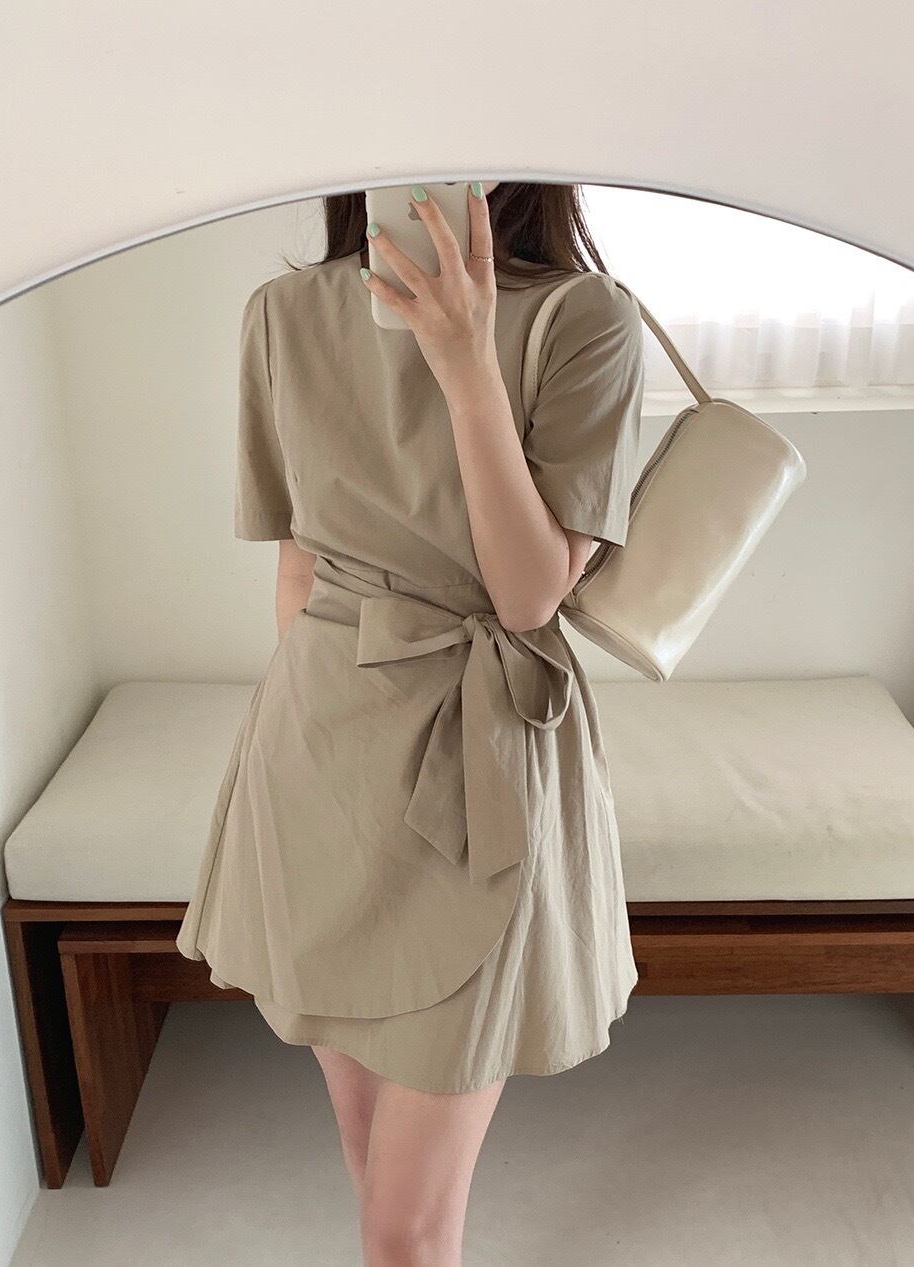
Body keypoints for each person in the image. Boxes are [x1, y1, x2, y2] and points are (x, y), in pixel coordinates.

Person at [176, 180, 645, 1266]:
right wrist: (312, 742)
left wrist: (467, 365)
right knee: (372, 1167)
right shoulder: (283, 315)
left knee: (403, 1224)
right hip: (318, 756)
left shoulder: (583, 320)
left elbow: (527, 594)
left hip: (480, 766)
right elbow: (298, 570)